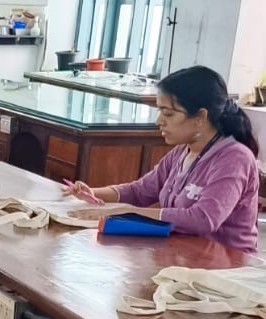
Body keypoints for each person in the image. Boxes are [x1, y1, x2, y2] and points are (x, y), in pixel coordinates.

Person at [65, 66, 261, 253]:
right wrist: (93, 193)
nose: (159, 121)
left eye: (168, 113)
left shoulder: (235, 158)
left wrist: (130, 212)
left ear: (200, 117)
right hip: (183, 254)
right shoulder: (182, 152)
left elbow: (203, 219)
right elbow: (140, 191)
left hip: (226, 267)